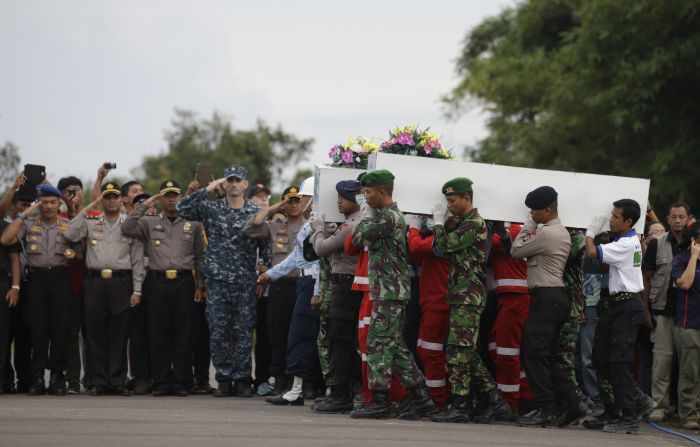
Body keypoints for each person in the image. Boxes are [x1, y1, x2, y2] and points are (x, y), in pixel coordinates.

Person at [176, 166, 270, 397]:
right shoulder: (212, 208)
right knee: (218, 330)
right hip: (217, 281)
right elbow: (182, 208)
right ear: (224, 183)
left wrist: (263, 271)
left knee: (243, 332)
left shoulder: (254, 211)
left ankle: (243, 379)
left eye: (238, 180)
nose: (234, 184)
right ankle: (224, 378)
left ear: (245, 184)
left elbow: (265, 243)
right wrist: (207, 188)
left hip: (245, 281)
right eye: (230, 180)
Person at [349, 170, 435, 420]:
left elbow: (356, 239)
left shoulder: (388, 218)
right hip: (387, 290)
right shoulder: (387, 216)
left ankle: (379, 401)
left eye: (368, 193)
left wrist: (365, 216)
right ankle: (422, 398)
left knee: (377, 344)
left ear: (382, 192)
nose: (364, 198)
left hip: (389, 291)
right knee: (393, 346)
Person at [121, 180, 205, 396]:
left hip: (184, 282)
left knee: (183, 334)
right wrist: (145, 203)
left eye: (174, 195)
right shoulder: (149, 222)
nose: (171, 199)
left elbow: (200, 256)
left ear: (180, 197)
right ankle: (161, 381)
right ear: (161, 198)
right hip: (157, 283)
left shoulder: (192, 223)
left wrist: (200, 284)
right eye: (166, 195)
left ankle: (181, 380)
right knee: (158, 333)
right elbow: (127, 227)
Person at [510, 186, 585, 427]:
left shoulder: (546, 234)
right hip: (552, 298)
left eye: (534, 210)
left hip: (547, 297)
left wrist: (527, 228)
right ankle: (573, 405)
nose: (531, 214)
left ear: (548, 209)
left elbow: (515, 250)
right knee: (549, 357)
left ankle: (547, 408)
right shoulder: (558, 231)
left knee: (534, 354)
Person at [64, 182, 145, 396]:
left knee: (120, 332)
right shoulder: (91, 221)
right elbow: (70, 234)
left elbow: (137, 259)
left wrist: (137, 290)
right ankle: (99, 380)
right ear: (103, 199)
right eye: (107, 197)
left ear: (121, 199)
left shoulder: (129, 224)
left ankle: (117, 381)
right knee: (95, 332)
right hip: (95, 282)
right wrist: (87, 207)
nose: (111, 201)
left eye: (115, 197)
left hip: (121, 281)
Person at [1, 184, 82, 396]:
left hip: (60, 278)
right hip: (36, 279)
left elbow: (82, 250)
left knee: (59, 329)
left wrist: (74, 253)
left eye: (52, 202)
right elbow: (6, 239)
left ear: (58, 204)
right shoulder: (29, 224)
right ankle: (36, 376)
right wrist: (25, 214)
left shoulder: (67, 224)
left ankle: (57, 376)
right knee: (37, 330)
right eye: (44, 202)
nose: (48, 207)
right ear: (39, 204)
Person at [429, 177, 499, 423]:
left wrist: (439, 225)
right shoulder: (463, 223)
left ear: (466, 198)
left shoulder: (474, 224)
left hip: (469, 295)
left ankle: (461, 403)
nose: (448, 205)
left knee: (458, 351)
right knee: (464, 350)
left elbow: (443, 246)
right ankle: (492, 397)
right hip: (462, 294)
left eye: (452, 200)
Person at [584, 199, 655, 435]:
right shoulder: (621, 241)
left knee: (620, 362)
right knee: (601, 358)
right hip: (618, 305)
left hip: (627, 305)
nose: (611, 219)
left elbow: (592, 252)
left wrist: (591, 233)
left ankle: (633, 410)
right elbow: (603, 265)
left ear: (628, 221)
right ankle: (617, 408)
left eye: (615, 217)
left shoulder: (626, 243)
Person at [258, 178, 323, 406]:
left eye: (304, 197)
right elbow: (297, 257)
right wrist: (271, 274)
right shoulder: (310, 225)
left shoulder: (318, 224)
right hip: (303, 284)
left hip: (313, 284)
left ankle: (301, 390)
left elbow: (319, 263)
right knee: (297, 337)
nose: (302, 201)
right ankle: (296, 389)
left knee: (303, 337)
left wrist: (317, 290)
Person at [245, 185, 306, 397]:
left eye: (297, 200)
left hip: (302, 286)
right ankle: (280, 379)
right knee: (278, 334)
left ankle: (298, 380)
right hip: (279, 287)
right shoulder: (275, 226)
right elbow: (250, 228)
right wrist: (273, 208)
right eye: (290, 201)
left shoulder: (310, 227)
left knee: (300, 334)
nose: (294, 205)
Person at [310, 180, 363, 413]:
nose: (339, 201)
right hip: (346, 286)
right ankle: (347, 392)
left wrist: (318, 229)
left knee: (339, 340)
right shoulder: (351, 223)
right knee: (344, 340)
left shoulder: (353, 224)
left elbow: (321, 249)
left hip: (346, 287)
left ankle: (341, 394)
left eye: (344, 196)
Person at [643, 203, 691, 422]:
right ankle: (659, 406)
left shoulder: (694, 244)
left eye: (682, 217)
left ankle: (686, 410)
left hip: (690, 314)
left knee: (688, 363)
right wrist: (646, 309)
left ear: (688, 219)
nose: (678, 220)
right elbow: (647, 276)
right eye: (674, 217)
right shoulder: (657, 244)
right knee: (661, 361)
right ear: (668, 219)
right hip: (662, 310)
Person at [405, 215, 450, 408]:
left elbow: (417, 247)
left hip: (439, 301)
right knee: (426, 349)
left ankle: (438, 399)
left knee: (430, 351)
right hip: (431, 300)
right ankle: (436, 396)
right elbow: (415, 255)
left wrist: (414, 228)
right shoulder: (436, 236)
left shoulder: (447, 237)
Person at [488, 221, 532, 416]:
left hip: (516, 297)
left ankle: (510, 402)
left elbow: (490, 244)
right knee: (499, 348)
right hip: (508, 297)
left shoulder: (517, 229)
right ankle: (524, 395)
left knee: (506, 351)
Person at [1, 192, 33, 393]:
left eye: (30, 204)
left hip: (27, 284)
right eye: (23, 204)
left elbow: (16, 257)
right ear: (12, 205)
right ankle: (5, 380)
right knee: (6, 335)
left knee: (24, 335)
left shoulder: (32, 222)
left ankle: (25, 380)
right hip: (10, 285)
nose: (26, 208)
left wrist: (17, 286)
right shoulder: (7, 225)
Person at [671, 222, 700, 430]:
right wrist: (694, 257)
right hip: (690, 324)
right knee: (689, 372)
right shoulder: (681, 260)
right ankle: (689, 414)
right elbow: (685, 283)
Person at [0, 214, 22, 394]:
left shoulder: (6, 226)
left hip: (2, 284)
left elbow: (15, 258)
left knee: (2, 335)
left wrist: (15, 286)